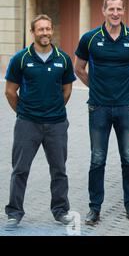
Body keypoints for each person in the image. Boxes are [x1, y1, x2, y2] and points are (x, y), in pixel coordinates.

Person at [75, 0, 129, 225]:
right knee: (98, 159)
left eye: (119, 9)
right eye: (111, 9)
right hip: (98, 107)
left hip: (126, 107)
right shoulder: (90, 38)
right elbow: (79, 68)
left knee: (128, 158)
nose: (115, 13)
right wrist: (96, 87)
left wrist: (125, 86)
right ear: (103, 11)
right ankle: (94, 208)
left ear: (123, 11)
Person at [4, 14, 76, 230]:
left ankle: (61, 211)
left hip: (56, 124)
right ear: (33, 32)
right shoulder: (21, 59)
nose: (45, 33)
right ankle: (14, 213)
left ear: (51, 30)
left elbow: (67, 90)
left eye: (48, 28)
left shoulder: (62, 59)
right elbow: (9, 91)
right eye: (40, 29)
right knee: (20, 169)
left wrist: (53, 110)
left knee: (59, 170)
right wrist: (25, 113)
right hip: (28, 124)